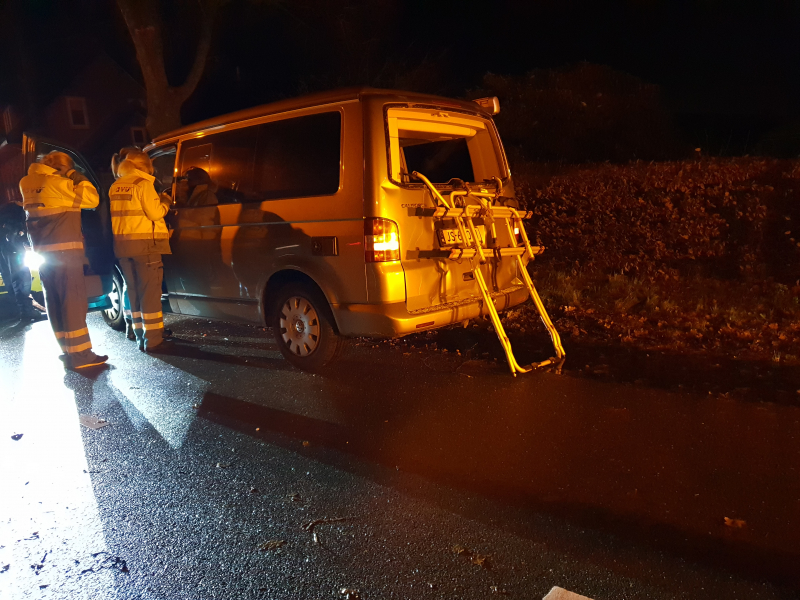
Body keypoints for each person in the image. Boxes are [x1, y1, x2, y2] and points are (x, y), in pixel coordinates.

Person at [18, 151, 108, 368]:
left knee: (55, 300)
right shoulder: (59, 183)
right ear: (61, 168)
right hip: (66, 254)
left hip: (44, 253)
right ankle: (81, 356)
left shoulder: (27, 183)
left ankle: (67, 351)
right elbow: (92, 198)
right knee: (73, 301)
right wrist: (72, 175)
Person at [109, 150, 172, 352]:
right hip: (144, 246)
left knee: (134, 291)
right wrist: (165, 202)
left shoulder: (115, 186)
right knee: (150, 293)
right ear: (144, 166)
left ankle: (139, 336)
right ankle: (153, 340)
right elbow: (155, 213)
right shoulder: (143, 184)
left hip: (123, 247)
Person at [0, 201, 46, 322]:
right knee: (21, 277)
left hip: (7, 246)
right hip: (13, 246)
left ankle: (20, 310)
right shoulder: (18, 211)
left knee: (10, 277)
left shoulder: (8, 210)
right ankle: (26, 311)